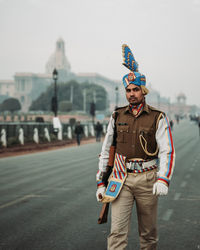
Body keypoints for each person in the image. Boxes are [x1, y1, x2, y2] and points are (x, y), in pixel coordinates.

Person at [96, 44, 175, 250]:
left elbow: (167, 150)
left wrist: (163, 178)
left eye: (135, 89)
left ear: (143, 91)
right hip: (120, 178)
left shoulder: (158, 117)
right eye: (128, 90)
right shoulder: (117, 116)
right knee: (116, 233)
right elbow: (106, 150)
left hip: (148, 178)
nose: (131, 94)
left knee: (148, 235)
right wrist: (100, 182)